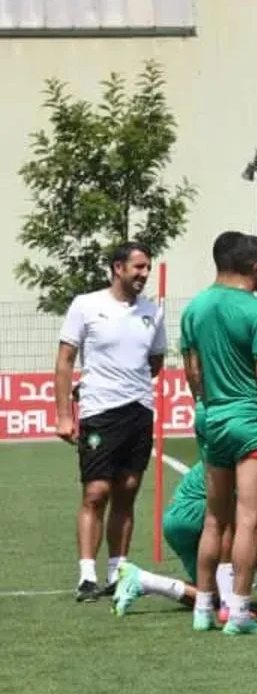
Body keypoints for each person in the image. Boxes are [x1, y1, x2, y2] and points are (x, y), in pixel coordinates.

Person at [180, 232, 257, 635]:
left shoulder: (194, 308)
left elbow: (192, 371)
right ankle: (239, 613)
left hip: (213, 418)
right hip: (250, 423)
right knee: (248, 521)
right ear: (254, 267)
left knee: (214, 520)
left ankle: (203, 609)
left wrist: (205, 405)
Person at [55, 241, 166, 602]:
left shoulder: (153, 311)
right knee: (96, 492)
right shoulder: (86, 305)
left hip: (139, 410)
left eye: (147, 267)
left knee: (127, 490)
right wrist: (64, 415)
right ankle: (87, 576)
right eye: (138, 267)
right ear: (118, 268)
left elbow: (155, 361)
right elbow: (65, 360)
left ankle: (117, 572)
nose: (144, 274)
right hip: (99, 412)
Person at [112, 461, 257, 617]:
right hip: (196, 513)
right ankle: (238, 606)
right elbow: (246, 534)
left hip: (177, 517)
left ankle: (144, 580)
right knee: (243, 527)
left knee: (211, 596)